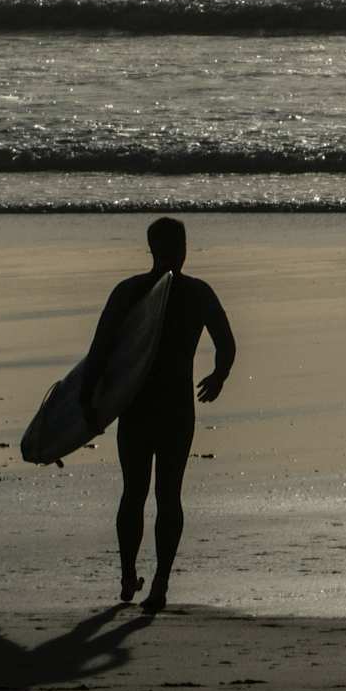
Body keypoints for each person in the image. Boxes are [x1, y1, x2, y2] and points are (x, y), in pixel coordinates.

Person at [79, 217, 235, 613]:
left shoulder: (129, 291)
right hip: (177, 408)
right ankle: (161, 581)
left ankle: (129, 574)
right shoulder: (198, 293)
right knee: (169, 495)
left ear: (151, 249)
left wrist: (86, 399)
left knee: (134, 492)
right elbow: (226, 343)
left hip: (136, 406)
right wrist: (218, 376)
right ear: (184, 249)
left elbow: (98, 352)